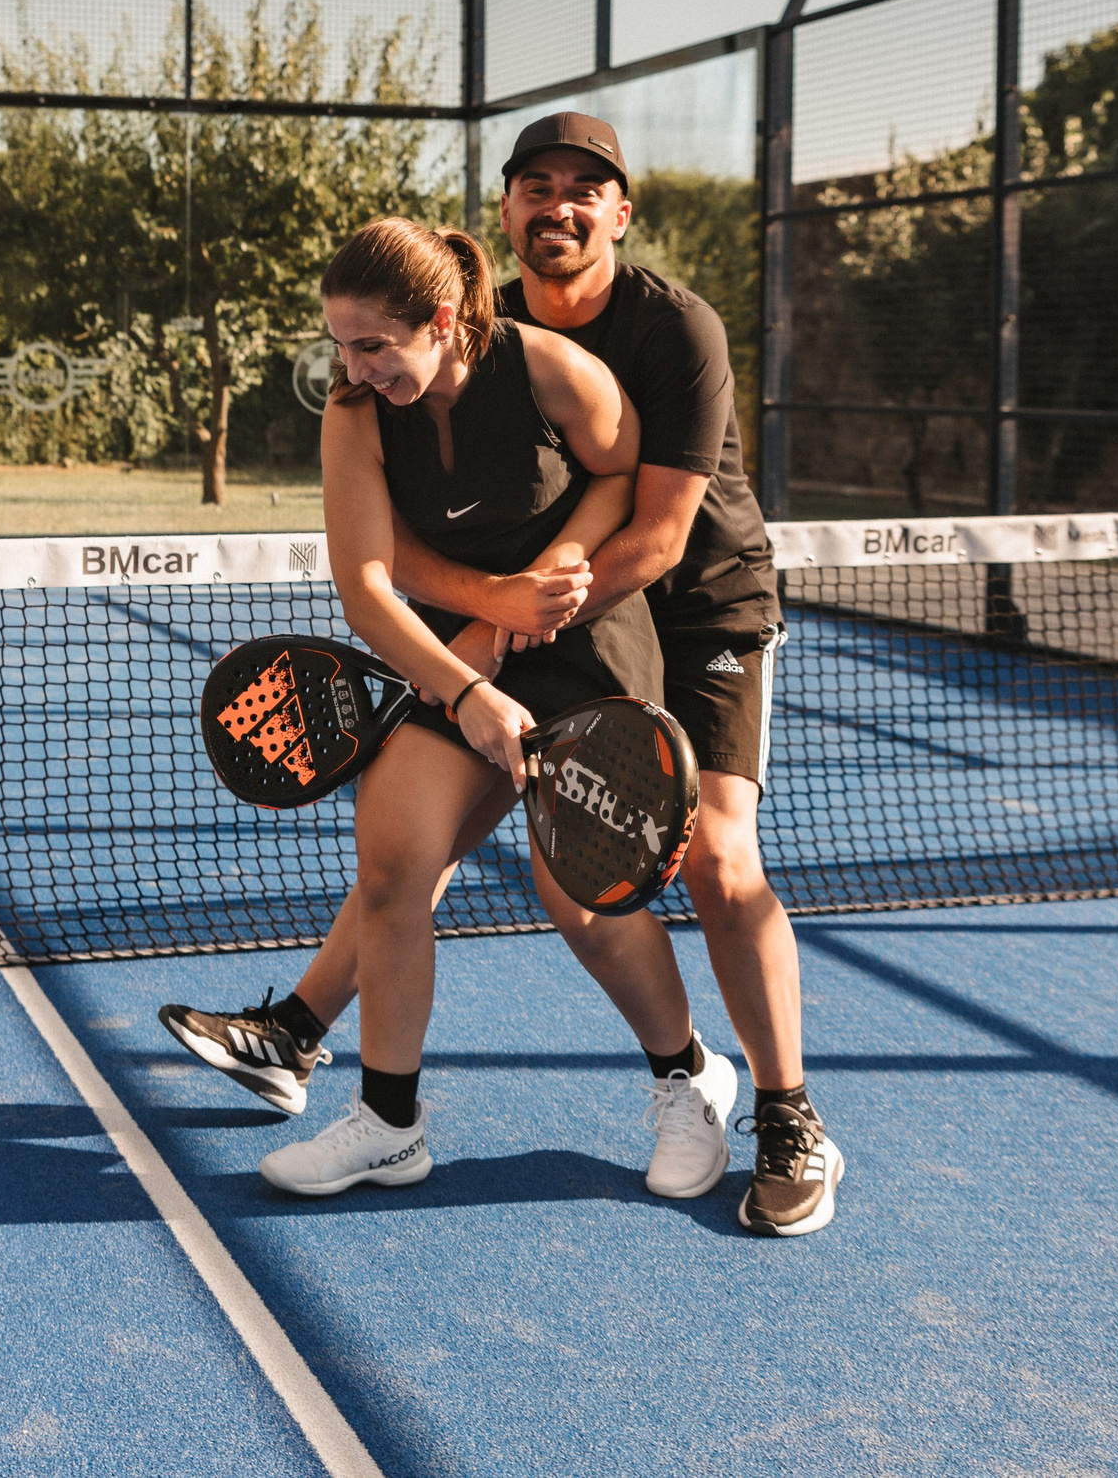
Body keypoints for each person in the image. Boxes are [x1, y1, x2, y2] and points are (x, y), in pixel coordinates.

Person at [165, 115, 840, 1236]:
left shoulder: (661, 332)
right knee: (403, 851)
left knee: (693, 870)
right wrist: (479, 646)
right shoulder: (434, 350)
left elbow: (651, 526)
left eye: (585, 188)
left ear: (619, 212)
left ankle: (771, 1107)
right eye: (536, 185)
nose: (558, 205)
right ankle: (360, 1094)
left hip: (689, 599)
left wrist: (519, 614)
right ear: (508, 209)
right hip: (506, 628)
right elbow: (378, 570)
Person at [240, 216, 736, 1200]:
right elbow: (366, 586)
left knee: (580, 896)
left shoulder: (554, 371)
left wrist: (556, 568)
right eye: (341, 345)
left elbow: (622, 474)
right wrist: (470, 677)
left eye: (373, 345)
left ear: (439, 321)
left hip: (587, 645)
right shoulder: (353, 410)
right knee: (393, 865)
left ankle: (688, 1077)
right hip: (453, 652)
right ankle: (389, 1123)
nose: (354, 367)